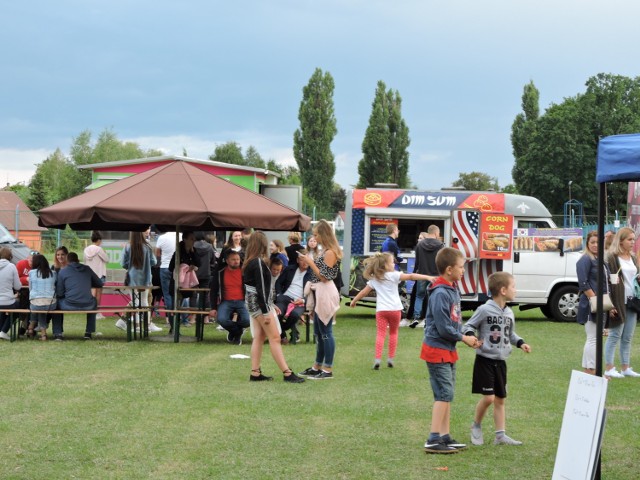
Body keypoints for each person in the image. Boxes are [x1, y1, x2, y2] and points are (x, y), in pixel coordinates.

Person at [422, 247, 480, 454]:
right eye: (461, 267)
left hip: (447, 349)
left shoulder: (452, 288)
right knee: (443, 394)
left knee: (447, 393)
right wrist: (463, 338)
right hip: (437, 349)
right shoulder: (439, 293)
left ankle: (444, 437)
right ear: (449, 269)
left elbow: (455, 321)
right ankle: (433, 438)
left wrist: (466, 334)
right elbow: (442, 326)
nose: (463, 271)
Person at [462, 272, 531, 447]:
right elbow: (468, 325)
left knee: (500, 399)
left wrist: (520, 343)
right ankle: (476, 425)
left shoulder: (509, 312)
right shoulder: (484, 309)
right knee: (489, 398)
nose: (515, 290)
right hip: (485, 360)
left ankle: (500, 435)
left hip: (501, 362)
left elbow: (510, 333)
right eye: (513, 286)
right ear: (503, 290)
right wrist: (471, 336)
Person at [349, 252, 435, 369]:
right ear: (385, 265)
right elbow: (411, 276)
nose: (394, 263)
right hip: (395, 310)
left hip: (381, 311)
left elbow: (364, 292)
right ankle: (390, 358)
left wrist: (354, 301)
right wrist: (427, 277)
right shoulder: (394, 275)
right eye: (392, 262)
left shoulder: (375, 279)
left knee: (380, 334)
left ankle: (378, 359)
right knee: (393, 333)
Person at [242, 231, 304, 383]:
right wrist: (265, 311)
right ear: (262, 244)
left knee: (259, 337)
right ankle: (287, 373)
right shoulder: (257, 263)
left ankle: (255, 372)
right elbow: (262, 289)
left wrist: (269, 305)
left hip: (252, 302)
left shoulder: (250, 261)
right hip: (259, 304)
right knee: (275, 337)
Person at [298, 219, 342, 380]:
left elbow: (324, 276)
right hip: (319, 293)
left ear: (323, 234)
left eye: (316, 234)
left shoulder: (330, 252)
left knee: (325, 332)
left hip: (326, 293)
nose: (315, 238)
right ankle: (317, 366)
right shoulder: (325, 251)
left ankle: (327, 369)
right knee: (319, 332)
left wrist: (309, 262)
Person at [604, 227, 640, 378]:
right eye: (629, 239)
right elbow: (608, 281)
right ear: (621, 240)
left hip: (632, 300)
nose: (632, 242)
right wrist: (610, 304)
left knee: (628, 336)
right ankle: (609, 367)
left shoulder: (632, 257)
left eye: (633, 239)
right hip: (618, 300)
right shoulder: (612, 257)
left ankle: (625, 367)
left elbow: (634, 275)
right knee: (615, 334)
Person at [576, 231, 610, 375]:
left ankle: (592, 369)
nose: (595, 245)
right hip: (591, 304)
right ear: (587, 244)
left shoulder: (601, 260)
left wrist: (608, 305)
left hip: (601, 303)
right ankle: (591, 370)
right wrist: (595, 300)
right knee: (593, 339)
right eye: (592, 242)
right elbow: (583, 284)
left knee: (596, 339)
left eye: (598, 242)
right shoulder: (585, 259)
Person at [118, 231, 162, 332]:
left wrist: (130, 265)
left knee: (135, 303)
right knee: (145, 302)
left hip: (132, 279)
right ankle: (146, 326)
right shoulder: (147, 247)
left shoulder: (128, 247)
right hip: (145, 279)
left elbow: (123, 263)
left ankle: (137, 327)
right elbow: (154, 262)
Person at [55, 252, 104, 340]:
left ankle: (58, 333)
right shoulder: (87, 269)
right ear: (78, 260)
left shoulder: (63, 271)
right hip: (88, 305)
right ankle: (88, 332)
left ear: (67, 261)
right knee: (94, 301)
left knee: (56, 304)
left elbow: (59, 293)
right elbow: (99, 283)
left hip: (68, 305)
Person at [210, 250, 250, 345]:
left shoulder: (244, 272)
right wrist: (213, 308)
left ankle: (234, 332)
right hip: (226, 301)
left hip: (242, 301)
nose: (236, 261)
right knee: (221, 319)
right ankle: (237, 332)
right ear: (227, 261)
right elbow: (214, 290)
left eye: (238, 259)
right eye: (233, 259)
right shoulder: (220, 272)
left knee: (248, 320)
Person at [410, 225, 444, 328]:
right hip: (435, 275)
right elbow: (441, 261)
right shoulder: (440, 245)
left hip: (422, 274)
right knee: (432, 297)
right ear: (436, 233)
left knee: (419, 296)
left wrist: (414, 272)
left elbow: (417, 261)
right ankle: (427, 319)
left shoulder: (420, 245)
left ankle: (416, 317)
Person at [275, 248, 312, 344]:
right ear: (297, 260)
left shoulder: (312, 273)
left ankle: (281, 331)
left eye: (306, 259)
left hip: (300, 301)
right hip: (285, 297)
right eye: (302, 259)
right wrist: (279, 294)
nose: (304, 262)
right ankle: (282, 335)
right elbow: (278, 282)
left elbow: (315, 293)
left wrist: (303, 300)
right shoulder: (289, 269)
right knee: (277, 313)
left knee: (295, 315)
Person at [169, 231, 198, 328]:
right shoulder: (178, 252)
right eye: (191, 239)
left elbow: (199, 263)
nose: (193, 241)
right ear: (185, 240)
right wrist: (182, 268)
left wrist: (192, 265)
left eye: (194, 239)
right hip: (177, 282)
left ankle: (181, 324)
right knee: (175, 305)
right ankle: (173, 328)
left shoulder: (193, 251)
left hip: (188, 283)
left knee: (184, 302)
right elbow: (170, 267)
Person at [27, 254, 57, 341]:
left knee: (36, 305)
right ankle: (43, 334)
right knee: (41, 309)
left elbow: (30, 289)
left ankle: (31, 326)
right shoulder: (53, 273)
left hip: (35, 304)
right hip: (51, 304)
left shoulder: (32, 273)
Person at [84, 231, 109, 319]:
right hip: (99, 274)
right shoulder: (99, 249)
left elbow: (85, 262)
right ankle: (97, 312)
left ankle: (91, 311)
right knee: (98, 294)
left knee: (92, 293)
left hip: (89, 275)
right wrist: (105, 252)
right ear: (98, 240)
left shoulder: (86, 249)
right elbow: (106, 259)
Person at [155, 231, 177, 327]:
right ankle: (178, 316)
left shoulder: (162, 238)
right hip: (177, 268)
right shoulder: (180, 235)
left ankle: (170, 318)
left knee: (167, 294)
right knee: (178, 293)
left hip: (164, 267)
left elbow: (157, 253)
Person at [193, 231, 216, 321]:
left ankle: (193, 318)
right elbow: (213, 261)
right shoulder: (209, 247)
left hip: (194, 274)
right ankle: (206, 318)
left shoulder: (193, 246)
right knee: (205, 295)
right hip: (206, 274)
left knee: (193, 295)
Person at [0, 247, 21, 340]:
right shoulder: (12, 266)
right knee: (18, 306)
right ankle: (3, 331)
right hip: (8, 301)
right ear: (10, 256)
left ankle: (1, 331)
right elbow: (17, 287)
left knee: (3, 310)